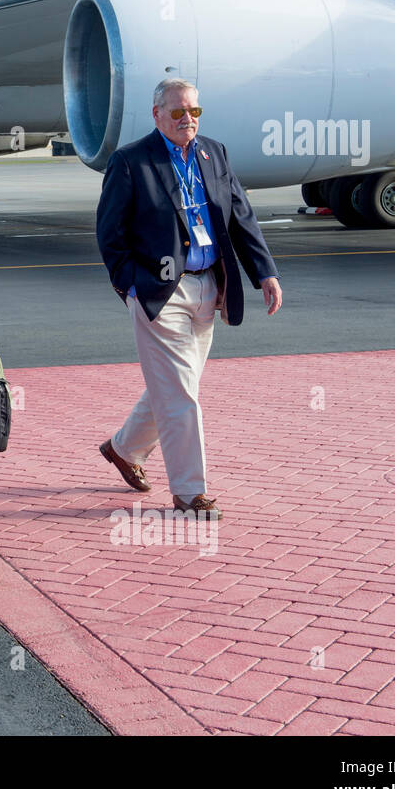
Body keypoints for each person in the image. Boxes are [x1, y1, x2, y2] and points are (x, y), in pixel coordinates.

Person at [95, 78, 283, 520]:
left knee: (178, 386)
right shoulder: (130, 161)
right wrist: (132, 287)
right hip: (161, 292)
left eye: (194, 112)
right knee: (181, 394)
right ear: (157, 113)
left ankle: (124, 449)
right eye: (178, 112)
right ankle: (189, 492)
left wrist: (265, 273)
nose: (187, 120)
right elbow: (109, 234)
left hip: (209, 287)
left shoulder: (212, 153)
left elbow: (240, 214)